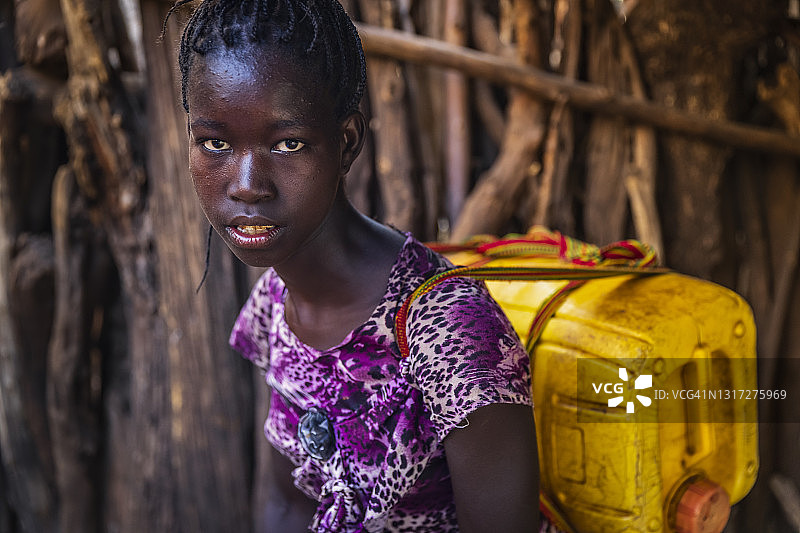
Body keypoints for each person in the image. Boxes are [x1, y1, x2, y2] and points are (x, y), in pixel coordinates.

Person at [172, 0, 544, 531]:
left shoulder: (451, 333)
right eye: (215, 143)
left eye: (288, 144)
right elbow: (285, 503)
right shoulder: (274, 304)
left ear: (347, 142)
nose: (247, 185)